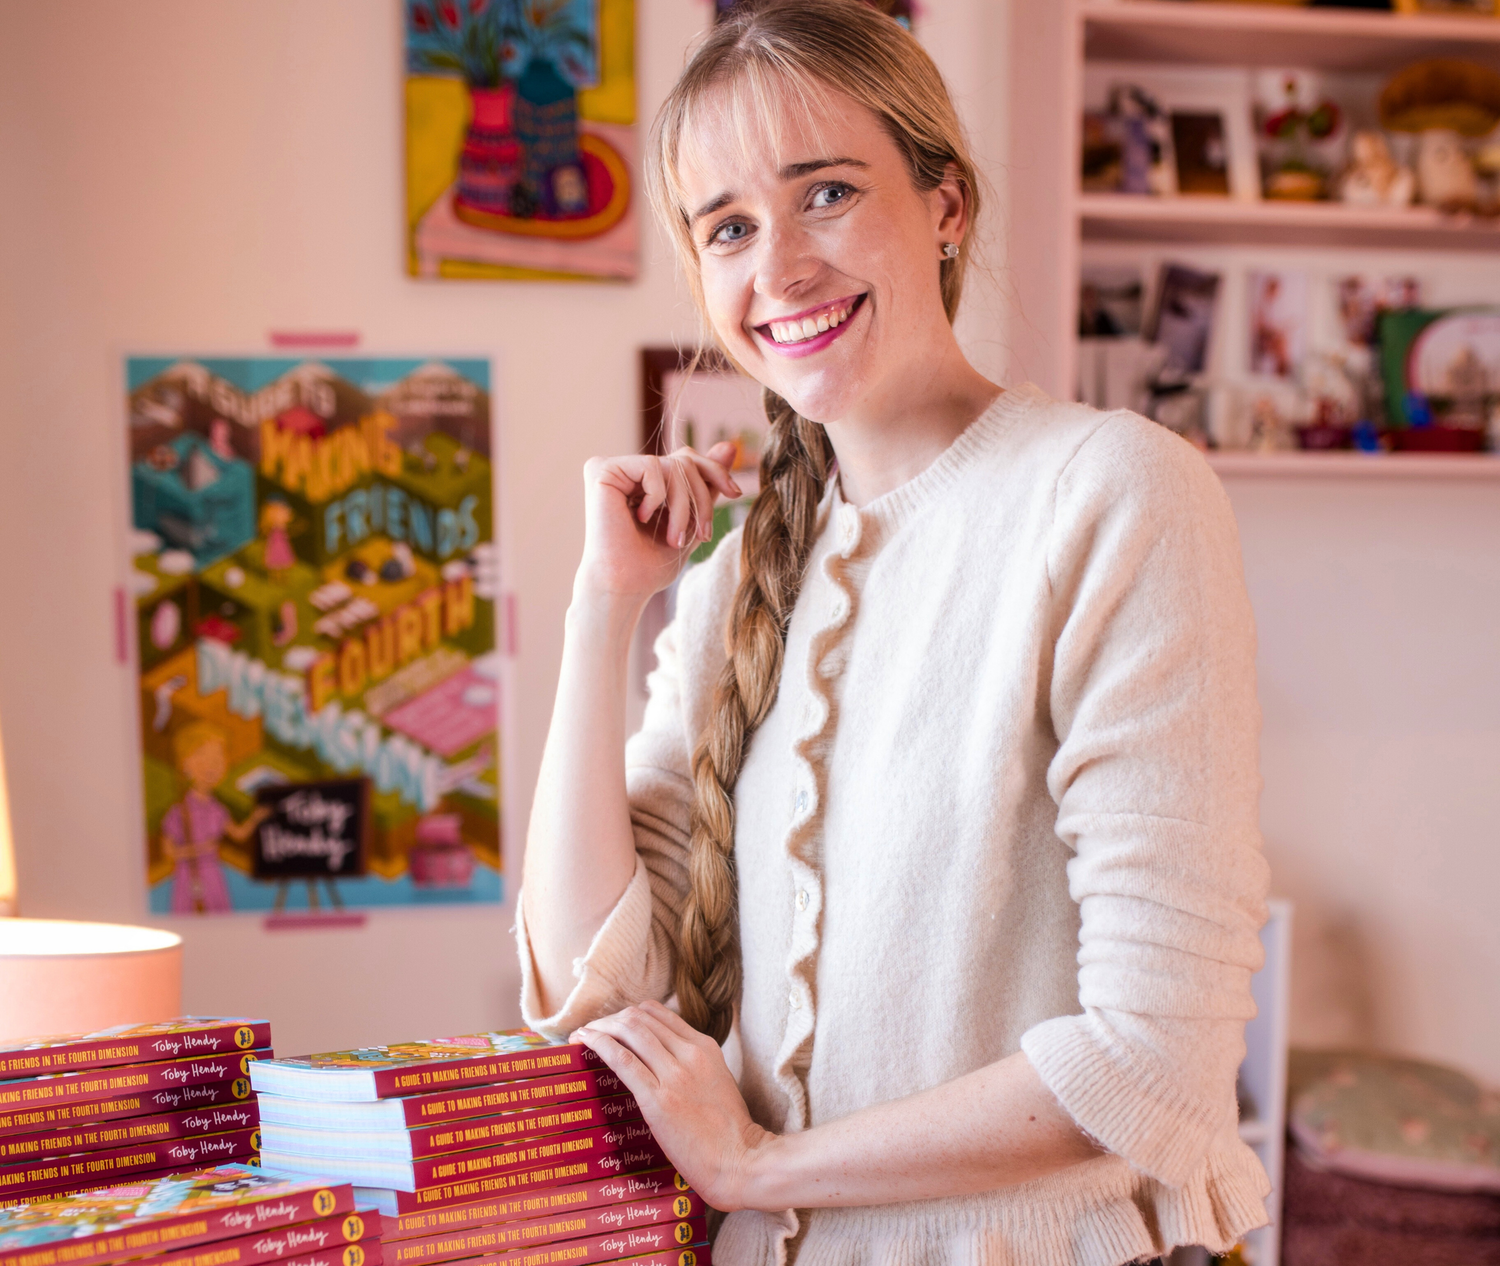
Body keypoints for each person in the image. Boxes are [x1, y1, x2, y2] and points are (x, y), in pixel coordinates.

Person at [518, 3, 1272, 1263]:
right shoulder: (730, 577)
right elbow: (600, 996)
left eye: (826, 193)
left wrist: (760, 1163)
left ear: (947, 204)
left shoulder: (1110, 493)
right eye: (730, 229)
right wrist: (605, 610)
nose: (781, 269)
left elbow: (1155, 1059)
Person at [161, 722, 267, 914]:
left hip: (213, 875)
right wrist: (198, 850)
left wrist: (255, 819)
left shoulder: (218, 810)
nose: (213, 765)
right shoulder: (179, 811)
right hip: (188, 876)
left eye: (218, 757)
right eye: (203, 757)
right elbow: (169, 852)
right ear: (186, 764)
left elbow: (239, 834)